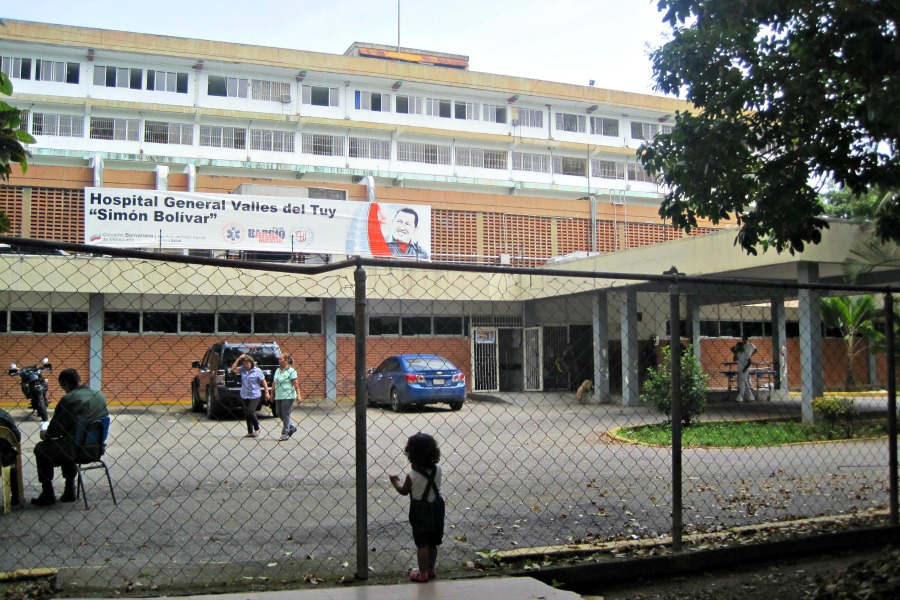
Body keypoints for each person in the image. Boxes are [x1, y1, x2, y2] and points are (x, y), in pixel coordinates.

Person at [31, 368, 109, 506]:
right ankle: (69, 490)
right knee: (69, 442)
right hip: (95, 449)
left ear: (65, 384)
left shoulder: (69, 399)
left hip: (73, 449)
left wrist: (46, 434)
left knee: (41, 449)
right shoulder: (99, 395)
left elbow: (55, 430)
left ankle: (48, 493)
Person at [389, 432, 444, 583]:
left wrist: (395, 482)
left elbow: (404, 491)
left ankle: (423, 573)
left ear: (411, 454)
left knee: (422, 543)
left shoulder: (412, 475)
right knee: (433, 541)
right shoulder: (438, 469)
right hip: (437, 508)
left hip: (420, 510)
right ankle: (431, 568)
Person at [230, 353, 270, 438]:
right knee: (247, 414)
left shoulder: (257, 371)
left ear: (251, 363)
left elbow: (263, 382)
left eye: (247, 363)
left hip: (255, 394)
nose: (245, 365)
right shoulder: (242, 370)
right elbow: (233, 369)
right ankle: (250, 432)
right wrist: (239, 358)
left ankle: (257, 428)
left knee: (250, 411)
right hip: (245, 394)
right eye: (244, 364)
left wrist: (266, 392)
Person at [273, 354, 302, 441]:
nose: (279, 360)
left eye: (281, 359)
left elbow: (295, 384)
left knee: (285, 414)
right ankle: (291, 427)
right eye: (279, 359)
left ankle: (285, 433)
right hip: (279, 395)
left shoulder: (291, 371)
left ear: (286, 360)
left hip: (288, 395)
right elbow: (274, 382)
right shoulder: (278, 370)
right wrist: (271, 393)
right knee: (278, 413)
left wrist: (298, 395)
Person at [0, 407, 22, 506]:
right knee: (11, 468)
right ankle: (15, 496)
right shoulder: (3, 415)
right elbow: (17, 438)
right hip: (4, 456)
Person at [735, 335, 757, 402]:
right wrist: (736, 350)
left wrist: (745, 368)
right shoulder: (739, 352)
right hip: (740, 368)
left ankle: (740, 397)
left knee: (742, 382)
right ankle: (751, 397)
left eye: (744, 338)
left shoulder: (748, 348)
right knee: (745, 382)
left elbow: (749, 361)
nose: (743, 339)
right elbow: (734, 356)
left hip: (745, 368)